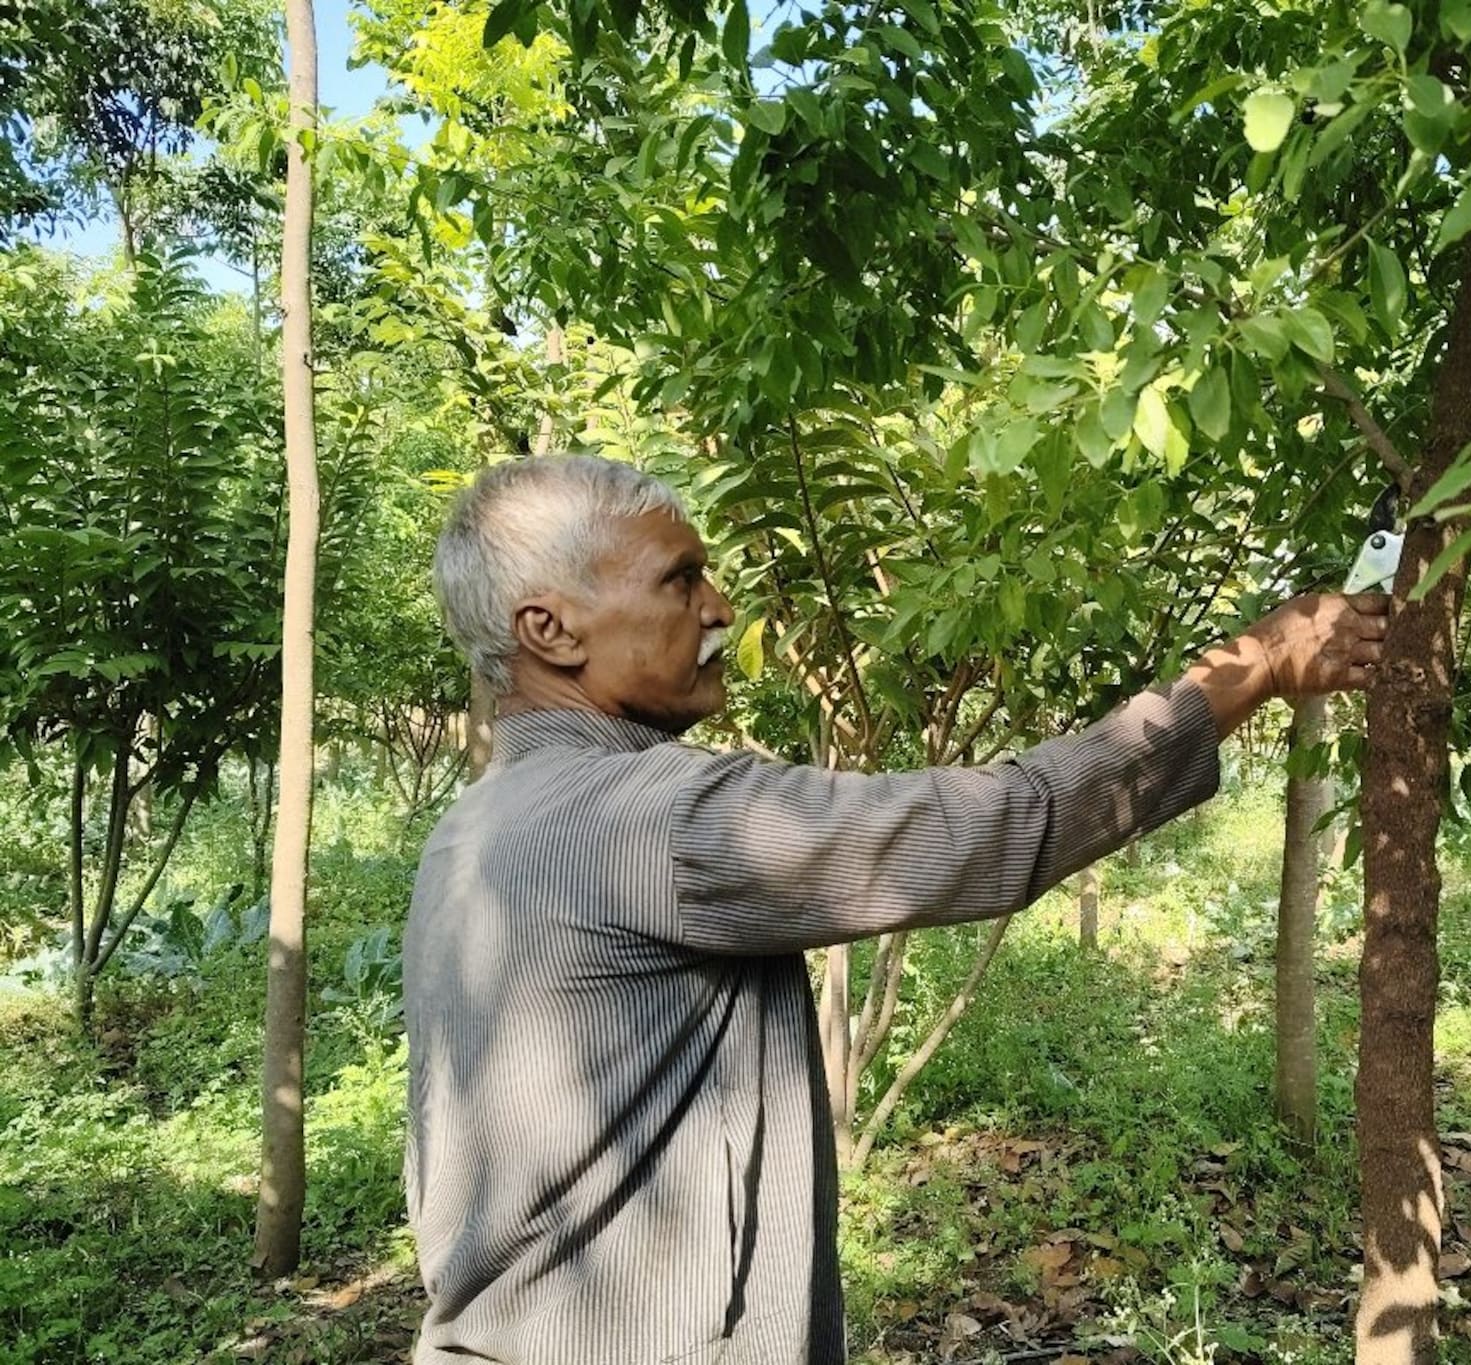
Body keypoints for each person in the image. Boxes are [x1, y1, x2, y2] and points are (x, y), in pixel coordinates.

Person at [404, 454, 1392, 1364]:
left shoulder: (474, 831)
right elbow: (997, 823)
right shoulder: (651, 818)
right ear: (551, 629)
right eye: (679, 579)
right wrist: (1255, 664)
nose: (718, 606)